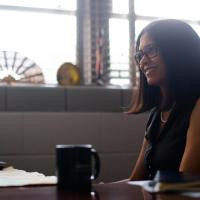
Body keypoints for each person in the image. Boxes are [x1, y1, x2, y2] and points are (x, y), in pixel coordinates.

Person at [128, 19, 200, 181]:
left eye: (151, 50)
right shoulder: (157, 113)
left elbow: (183, 185)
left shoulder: (197, 106)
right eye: (140, 55)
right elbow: (137, 181)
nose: (143, 61)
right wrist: (97, 190)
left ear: (179, 51)